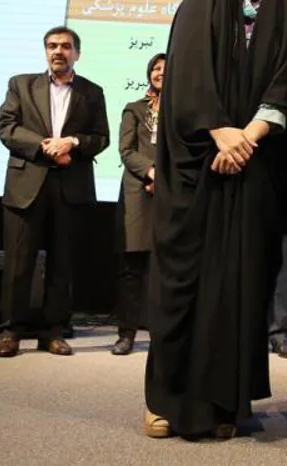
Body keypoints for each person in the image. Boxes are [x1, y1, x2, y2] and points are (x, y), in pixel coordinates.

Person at [143, 0, 287, 440]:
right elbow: (187, 76)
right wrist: (218, 130)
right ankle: (164, 400)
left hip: (255, 168)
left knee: (240, 289)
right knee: (185, 287)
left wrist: (247, 138)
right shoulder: (199, 4)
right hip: (200, 167)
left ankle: (225, 404)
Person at [0, 26, 110, 357]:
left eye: (65, 46)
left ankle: (53, 333)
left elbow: (101, 137)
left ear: (77, 53)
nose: (58, 51)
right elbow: (7, 127)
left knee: (62, 264)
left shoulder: (92, 92)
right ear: (46, 51)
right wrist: (45, 146)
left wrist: (72, 142)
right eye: (52, 46)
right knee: (19, 264)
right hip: (26, 186)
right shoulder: (21, 84)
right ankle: (11, 332)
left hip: (70, 187)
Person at [112, 53, 165, 355]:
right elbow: (126, 150)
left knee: (164, 268)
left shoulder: (183, 108)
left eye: (167, 69)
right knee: (132, 267)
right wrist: (151, 172)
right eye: (156, 69)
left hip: (172, 193)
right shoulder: (133, 108)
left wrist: (166, 178)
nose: (161, 73)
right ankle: (126, 334)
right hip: (137, 193)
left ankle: (162, 334)